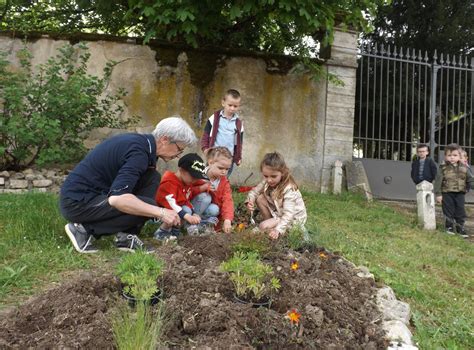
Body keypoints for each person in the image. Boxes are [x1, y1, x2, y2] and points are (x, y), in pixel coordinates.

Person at [60, 116, 195, 253]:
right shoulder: (138, 152)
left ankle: (127, 236)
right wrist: (161, 212)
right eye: (179, 149)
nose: (178, 155)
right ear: (165, 139)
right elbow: (118, 199)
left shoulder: (145, 148)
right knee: (148, 207)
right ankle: (82, 230)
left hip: (93, 196)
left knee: (152, 177)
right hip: (77, 202)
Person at [245, 152, 307, 240]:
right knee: (260, 198)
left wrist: (278, 229)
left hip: (293, 219)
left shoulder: (289, 188)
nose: (269, 180)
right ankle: (270, 226)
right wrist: (250, 201)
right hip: (279, 213)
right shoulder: (267, 180)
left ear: (282, 173)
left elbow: (289, 214)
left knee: (262, 226)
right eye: (266, 176)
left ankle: (275, 230)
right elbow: (254, 192)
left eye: (273, 176)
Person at [154, 153, 208, 240]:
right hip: (160, 214)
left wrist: (194, 213)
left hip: (176, 212)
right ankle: (161, 232)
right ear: (182, 170)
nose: (195, 180)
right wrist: (187, 216)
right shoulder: (169, 182)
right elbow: (171, 204)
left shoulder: (186, 182)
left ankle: (175, 232)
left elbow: (185, 200)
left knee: (186, 209)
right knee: (183, 211)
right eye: (193, 176)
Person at [200, 89, 243, 176]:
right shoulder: (215, 118)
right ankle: (206, 189)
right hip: (214, 156)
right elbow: (206, 134)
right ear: (223, 103)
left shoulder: (238, 123)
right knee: (208, 176)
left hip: (229, 157)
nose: (232, 108)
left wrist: (238, 157)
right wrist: (205, 148)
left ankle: (221, 189)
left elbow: (239, 142)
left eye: (235, 106)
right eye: (230, 105)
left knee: (224, 178)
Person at [191, 147, 234, 233]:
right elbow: (187, 191)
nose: (224, 172)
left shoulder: (224, 182)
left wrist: (227, 220)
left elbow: (227, 200)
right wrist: (202, 188)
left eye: (227, 169)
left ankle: (203, 225)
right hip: (192, 208)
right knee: (206, 197)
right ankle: (191, 223)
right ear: (210, 163)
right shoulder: (199, 175)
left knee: (214, 209)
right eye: (221, 168)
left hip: (207, 211)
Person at [434, 143, 473, 238]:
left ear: (460, 156)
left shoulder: (465, 167)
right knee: (448, 210)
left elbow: (470, 179)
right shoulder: (443, 167)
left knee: (460, 211)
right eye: (449, 155)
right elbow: (438, 181)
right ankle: (449, 227)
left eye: (455, 155)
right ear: (446, 156)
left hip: (460, 193)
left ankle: (460, 228)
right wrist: (438, 194)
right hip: (447, 193)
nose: (452, 158)